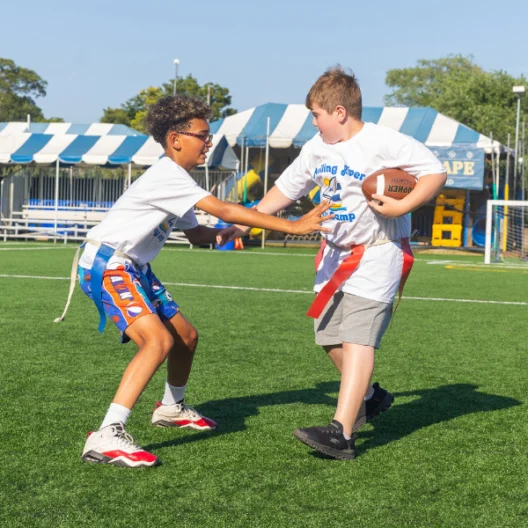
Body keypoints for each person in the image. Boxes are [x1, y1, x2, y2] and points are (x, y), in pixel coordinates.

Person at [70, 95, 331, 468]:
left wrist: (226, 233)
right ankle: (107, 434)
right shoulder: (168, 175)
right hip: (108, 263)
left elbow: (198, 235)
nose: (208, 143)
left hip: (133, 268)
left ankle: (172, 408)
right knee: (157, 341)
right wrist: (293, 225)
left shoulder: (178, 181)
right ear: (176, 139)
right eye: (202, 135)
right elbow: (222, 208)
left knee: (186, 337)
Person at [220, 66, 446, 460]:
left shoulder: (383, 141)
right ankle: (371, 396)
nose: (313, 122)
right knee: (326, 336)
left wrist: (404, 205)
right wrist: (243, 225)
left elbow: (434, 171)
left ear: (339, 112)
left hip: (378, 251)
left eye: (316, 115)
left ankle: (341, 433)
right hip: (334, 256)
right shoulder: (316, 148)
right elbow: (284, 191)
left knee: (358, 337)